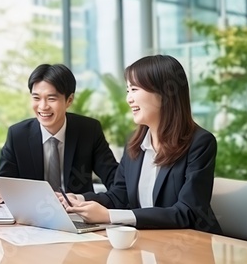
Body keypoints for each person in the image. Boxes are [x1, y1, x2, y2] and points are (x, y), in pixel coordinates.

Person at [62, 55, 222, 234]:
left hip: (192, 247)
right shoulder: (134, 143)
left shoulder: (200, 143)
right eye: (128, 90)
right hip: (150, 243)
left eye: (135, 89)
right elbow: (119, 196)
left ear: (163, 92)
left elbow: (187, 212)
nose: (129, 99)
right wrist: (78, 199)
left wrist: (110, 216)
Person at [0, 63, 119, 203]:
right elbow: (5, 186)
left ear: (69, 100)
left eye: (51, 98)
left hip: (78, 214)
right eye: (36, 98)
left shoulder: (89, 130)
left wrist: (83, 199)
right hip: (32, 216)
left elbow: (117, 183)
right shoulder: (17, 135)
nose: (43, 106)